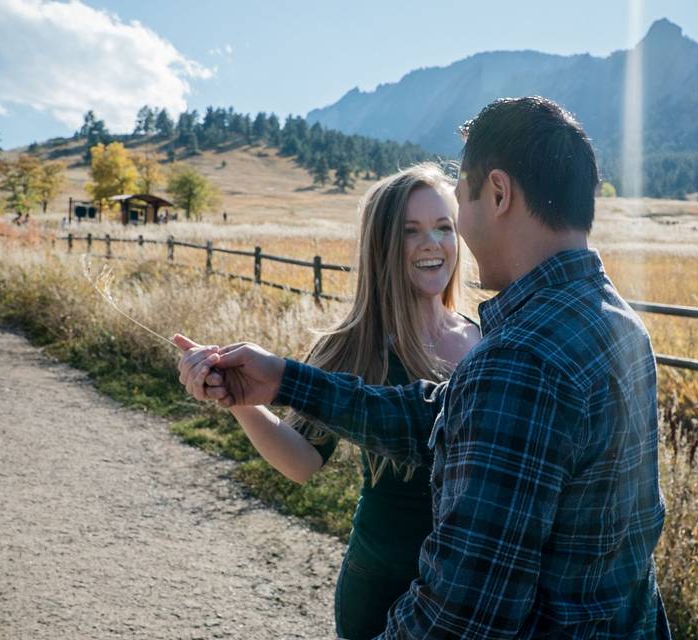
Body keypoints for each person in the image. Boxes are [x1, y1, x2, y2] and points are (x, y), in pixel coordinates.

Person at [177, 97, 670, 638]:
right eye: (414, 229)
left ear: (499, 194)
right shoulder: (618, 324)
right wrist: (288, 382)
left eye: (458, 207)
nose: (451, 234)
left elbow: (463, 615)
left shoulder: (516, 357)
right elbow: (442, 418)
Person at [179, 162, 481, 639]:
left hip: (473, 591)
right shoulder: (354, 346)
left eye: (445, 227)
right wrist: (239, 399)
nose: (433, 243)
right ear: (382, 245)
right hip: (383, 585)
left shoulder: (488, 339)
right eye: (411, 231)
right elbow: (302, 462)